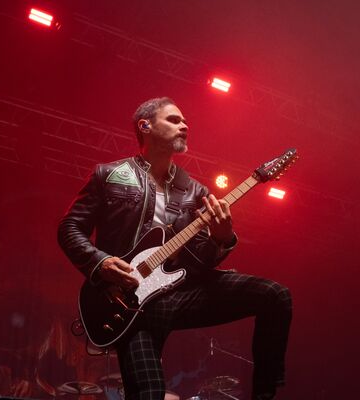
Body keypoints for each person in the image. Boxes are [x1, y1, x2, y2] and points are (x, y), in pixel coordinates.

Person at [57, 97, 292, 400]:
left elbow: (200, 260)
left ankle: (264, 395)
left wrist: (220, 239)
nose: (184, 125)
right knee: (149, 393)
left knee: (275, 295)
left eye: (185, 121)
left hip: (182, 293)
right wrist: (100, 263)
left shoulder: (194, 191)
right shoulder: (109, 175)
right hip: (131, 302)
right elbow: (69, 228)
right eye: (174, 119)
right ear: (145, 126)